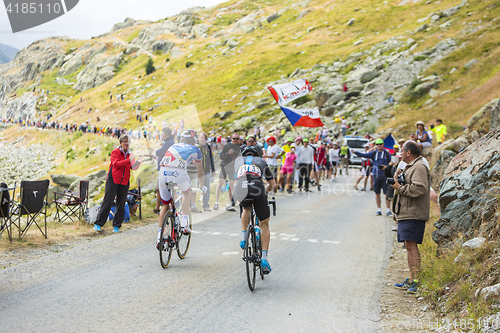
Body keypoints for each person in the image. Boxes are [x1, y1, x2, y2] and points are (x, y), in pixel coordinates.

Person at [390, 141, 431, 294]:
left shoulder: (419, 167)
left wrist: (399, 188)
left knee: (412, 245)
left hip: (414, 213)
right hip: (407, 212)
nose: (399, 154)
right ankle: (411, 277)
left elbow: (420, 188)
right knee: (408, 245)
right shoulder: (410, 166)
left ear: (408, 153)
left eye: (401, 151)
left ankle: (416, 280)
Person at [156, 130, 206, 248]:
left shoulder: (173, 145)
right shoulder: (196, 149)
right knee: (186, 193)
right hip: (179, 173)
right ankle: (184, 224)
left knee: (165, 205)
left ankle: (159, 237)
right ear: (194, 141)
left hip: (163, 173)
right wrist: (202, 186)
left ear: (182, 140)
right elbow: (200, 172)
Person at [234, 146, 276, 274]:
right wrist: (265, 192)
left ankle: (243, 237)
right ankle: (264, 259)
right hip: (257, 187)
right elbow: (272, 184)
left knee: (246, 208)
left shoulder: (238, 161)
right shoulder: (261, 161)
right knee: (264, 224)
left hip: (241, 187)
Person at [94, 135, 143, 233]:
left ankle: (117, 226)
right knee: (108, 201)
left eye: (128, 142)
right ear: (120, 143)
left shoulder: (130, 154)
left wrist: (138, 161)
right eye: (124, 141)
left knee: (121, 203)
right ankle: (98, 223)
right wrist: (128, 160)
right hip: (113, 180)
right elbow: (116, 164)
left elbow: (133, 168)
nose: (126, 143)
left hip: (124, 181)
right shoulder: (115, 152)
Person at [352, 138, 392, 216]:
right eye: (377, 144)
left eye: (380, 144)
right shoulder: (373, 153)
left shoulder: (387, 154)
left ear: (383, 145)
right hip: (376, 175)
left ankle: (388, 210)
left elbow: (391, 163)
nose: (379, 146)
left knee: (387, 193)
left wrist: (386, 167)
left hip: (385, 175)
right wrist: (355, 152)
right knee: (377, 193)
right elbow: (364, 155)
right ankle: (379, 209)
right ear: (375, 145)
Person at [215, 132, 241, 211]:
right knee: (220, 184)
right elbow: (221, 156)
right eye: (234, 139)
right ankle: (216, 203)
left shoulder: (238, 148)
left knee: (231, 185)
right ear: (231, 139)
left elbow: (239, 158)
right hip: (225, 166)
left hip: (232, 168)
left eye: (237, 139)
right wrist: (228, 153)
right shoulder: (227, 146)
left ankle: (229, 204)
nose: (235, 140)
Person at [153, 127, 176, 214]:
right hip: (166, 168)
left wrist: (157, 151)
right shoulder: (169, 142)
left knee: (160, 188)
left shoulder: (168, 143)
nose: (162, 136)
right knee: (159, 189)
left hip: (165, 169)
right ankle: (157, 208)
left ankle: (163, 208)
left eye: (162, 134)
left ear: (165, 135)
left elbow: (160, 152)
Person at [198, 132, 215, 211]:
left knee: (207, 188)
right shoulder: (196, 147)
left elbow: (211, 159)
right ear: (199, 138)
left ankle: (205, 205)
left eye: (204, 138)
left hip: (207, 170)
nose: (202, 139)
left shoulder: (208, 147)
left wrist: (213, 170)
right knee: (195, 188)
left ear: (206, 139)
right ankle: (193, 205)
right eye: (201, 137)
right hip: (197, 171)